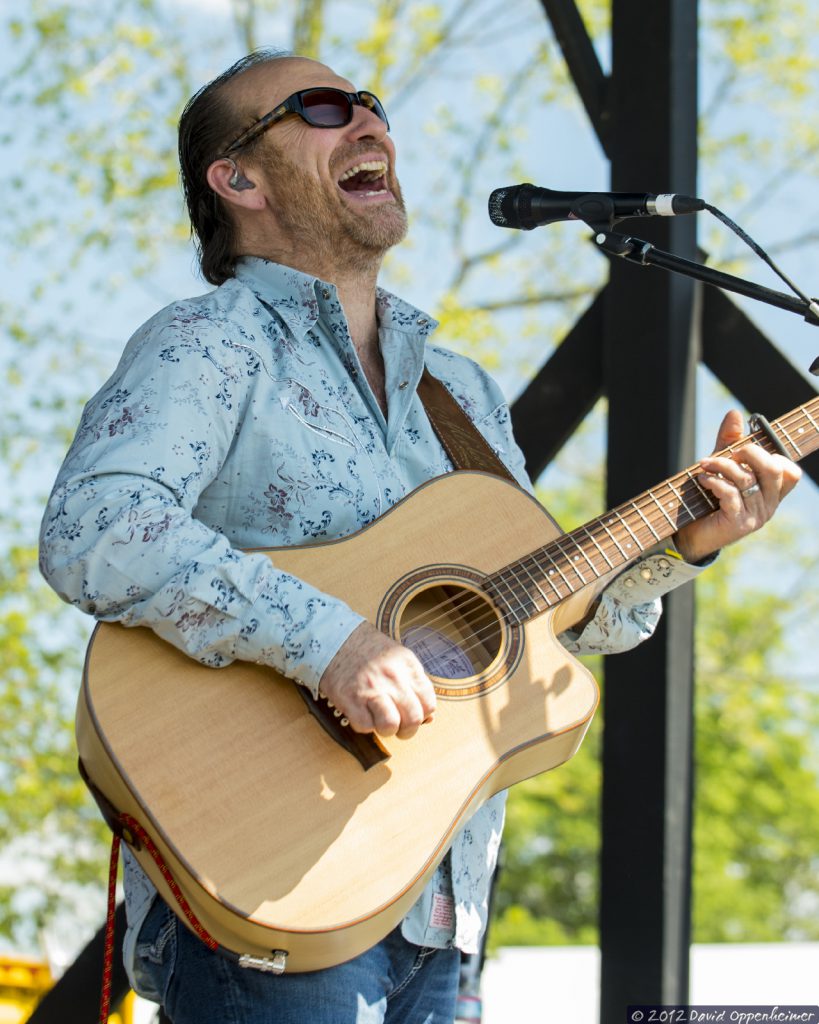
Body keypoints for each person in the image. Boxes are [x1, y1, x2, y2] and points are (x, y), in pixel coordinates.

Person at [39, 49, 801, 1024]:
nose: (368, 122)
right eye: (323, 108)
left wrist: (688, 542)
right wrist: (332, 642)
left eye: (373, 105)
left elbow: (552, 624)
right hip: (273, 893)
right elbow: (95, 528)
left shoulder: (465, 394)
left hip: (443, 909)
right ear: (238, 179)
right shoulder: (210, 342)